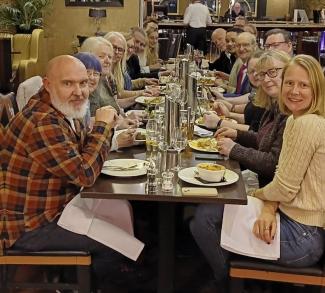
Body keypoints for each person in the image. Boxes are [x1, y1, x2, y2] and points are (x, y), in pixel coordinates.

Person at [191, 54, 325, 291]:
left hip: (302, 236)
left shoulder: (307, 124)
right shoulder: (296, 118)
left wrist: (258, 198)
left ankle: (228, 282)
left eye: (304, 85)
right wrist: (268, 205)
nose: (294, 90)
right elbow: (284, 181)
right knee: (207, 213)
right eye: (290, 83)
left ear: (317, 89)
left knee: (204, 220)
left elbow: (283, 185)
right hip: (293, 220)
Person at [1, 55, 132, 283]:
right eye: (68, 83)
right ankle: (98, 284)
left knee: (120, 213)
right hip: (29, 226)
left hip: (55, 209)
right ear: (47, 84)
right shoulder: (43, 122)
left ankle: (78, 278)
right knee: (116, 244)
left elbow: (80, 156)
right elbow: (84, 174)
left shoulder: (61, 109)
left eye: (83, 83)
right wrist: (102, 127)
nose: (79, 91)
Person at [205, 50, 265, 132]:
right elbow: (250, 119)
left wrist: (220, 122)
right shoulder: (260, 93)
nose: (255, 74)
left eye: (260, 71)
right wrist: (229, 112)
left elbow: (256, 133)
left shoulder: (273, 98)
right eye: (251, 71)